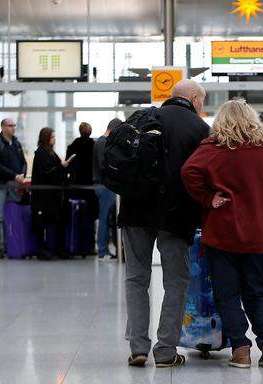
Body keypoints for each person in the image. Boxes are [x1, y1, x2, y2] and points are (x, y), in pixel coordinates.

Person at [181, 99, 263, 369]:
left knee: (227, 293)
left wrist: (208, 197)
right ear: (252, 118)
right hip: (262, 233)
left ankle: (240, 350)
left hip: (224, 233)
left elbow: (188, 171)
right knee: (257, 291)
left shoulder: (213, 147)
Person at [120, 79, 210, 368]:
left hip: (134, 211)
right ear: (194, 99)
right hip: (175, 214)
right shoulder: (199, 129)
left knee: (136, 279)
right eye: (203, 102)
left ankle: (138, 349)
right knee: (176, 282)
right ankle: (166, 351)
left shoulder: (143, 119)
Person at [0, 118, 26, 258]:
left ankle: (10, 244)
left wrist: (22, 174)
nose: (13, 128)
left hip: (14, 185)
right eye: (10, 126)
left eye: (14, 125)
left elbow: (23, 161)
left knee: (12, 216)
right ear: (3, 127)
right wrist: (14, 175)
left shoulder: (16, 143)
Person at [31, 128, 72, 261]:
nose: (54, 139)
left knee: (54, 223)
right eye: (52, 136)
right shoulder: (41, 154)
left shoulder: (50, 152)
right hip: (44, 196)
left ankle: (56, 249)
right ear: (46, 138)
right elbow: (46, 173)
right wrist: (62, 166)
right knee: (45, 224)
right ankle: (44, 250)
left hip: (52, 195)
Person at [66, 122, 98, 251]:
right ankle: (89, 246)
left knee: (76, 215)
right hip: (90, 187)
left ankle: (76, 244)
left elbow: (68, 166)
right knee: (90, 217)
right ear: (90, 132)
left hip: (75, 186)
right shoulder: (94, 146)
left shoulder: (72, 146)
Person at [92, 118, 121, 260]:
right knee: (104, 219)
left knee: (106, 218)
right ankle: (103, 251)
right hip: (104, 186)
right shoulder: (103, 143)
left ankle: (104, 250)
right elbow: (105, 166)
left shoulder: (100, 142)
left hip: (102, 185)